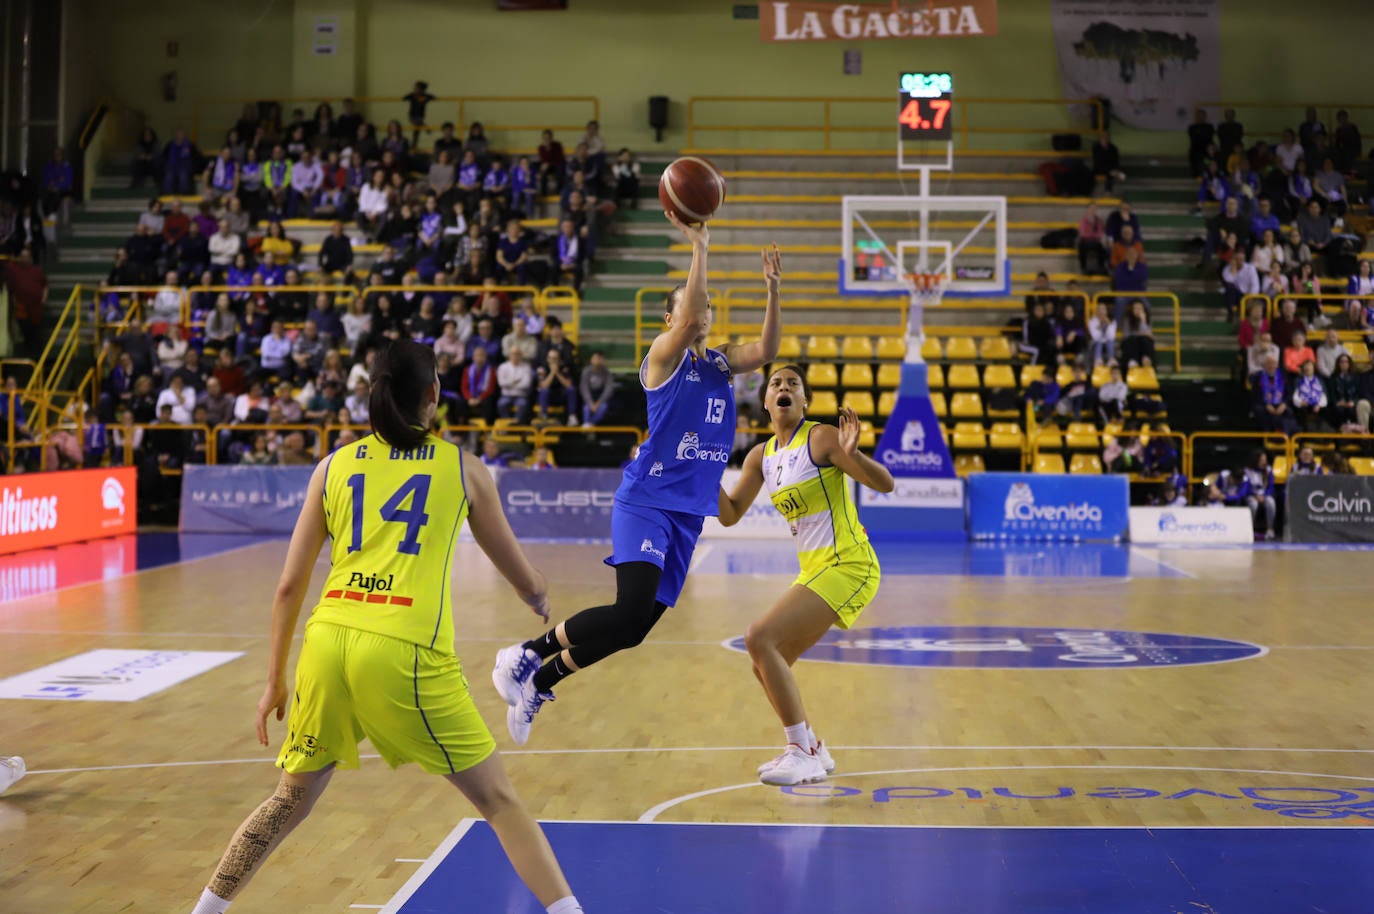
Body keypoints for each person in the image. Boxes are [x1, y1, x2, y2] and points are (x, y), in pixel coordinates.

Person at [182, 340, 585, 914]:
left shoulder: (332, 466)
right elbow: (524, 579)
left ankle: (205, 910)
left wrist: (274, 678)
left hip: (327, 645)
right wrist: (541, 595)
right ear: (432, 395)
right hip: (406, 652)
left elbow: (288, 587)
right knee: (499, 802)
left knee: (285, 802)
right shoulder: (462, 468)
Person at [492, 217, 783, 744]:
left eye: (709, 308)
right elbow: (689, 316)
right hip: (647, 501)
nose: (703, 313)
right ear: (671, 317)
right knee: (628, 608)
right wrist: (699, 245)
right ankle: (525, 655)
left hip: (687, 516)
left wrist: (773, 290)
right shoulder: (661, 361)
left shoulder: (718, 365)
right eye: (693, 307)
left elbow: (765, 350)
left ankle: (541, 678)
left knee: (633, 629)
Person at [717, 373, 892, 785]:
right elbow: (728, 514)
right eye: (776, 382)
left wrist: (857, 456)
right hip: (814, 570)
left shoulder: (822, 439)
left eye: (793, 384)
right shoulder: (761, 456)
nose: (783, 388)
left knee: (759, 637)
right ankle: (812, 747)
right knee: (764, 663)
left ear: (805, 402)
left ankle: (799, 752)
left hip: (849, 564)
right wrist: (702, 471)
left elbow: (884, 484)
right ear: (765, 401)